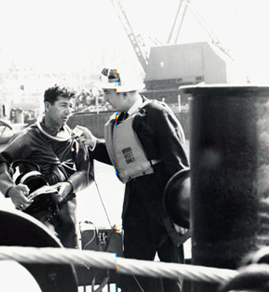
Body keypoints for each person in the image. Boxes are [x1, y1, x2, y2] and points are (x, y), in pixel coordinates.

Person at [76, 67, 190, 292]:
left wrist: (182, 212)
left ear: (124, 92)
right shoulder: (119, 120)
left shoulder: (157, 113)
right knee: (133, 274)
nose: (106, 98)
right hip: (135, 211)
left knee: (172, 273)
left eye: (108, 93)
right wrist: (93, 145)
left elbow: (178, 164)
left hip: (164, 209)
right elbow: (124, 158)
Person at [0, 84, 93, 248]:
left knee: (72, 257)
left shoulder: (74, 140)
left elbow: (87, 172)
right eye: (63, 105)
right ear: (47, 106)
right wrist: (11, 190)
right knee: (45, 254)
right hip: (37, 210)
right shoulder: (28, 137)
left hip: (67, 210)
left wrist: (69, 185)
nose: (68, 111)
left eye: (71, 106)